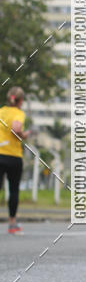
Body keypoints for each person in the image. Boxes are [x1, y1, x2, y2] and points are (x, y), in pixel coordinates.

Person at [0, 87, 30, 234]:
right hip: (13, 156)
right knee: (13, 190)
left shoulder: (1, 111)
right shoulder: (19, 113)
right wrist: (24, 135)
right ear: (21, 100)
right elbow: (16, 128)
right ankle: (12, 224)